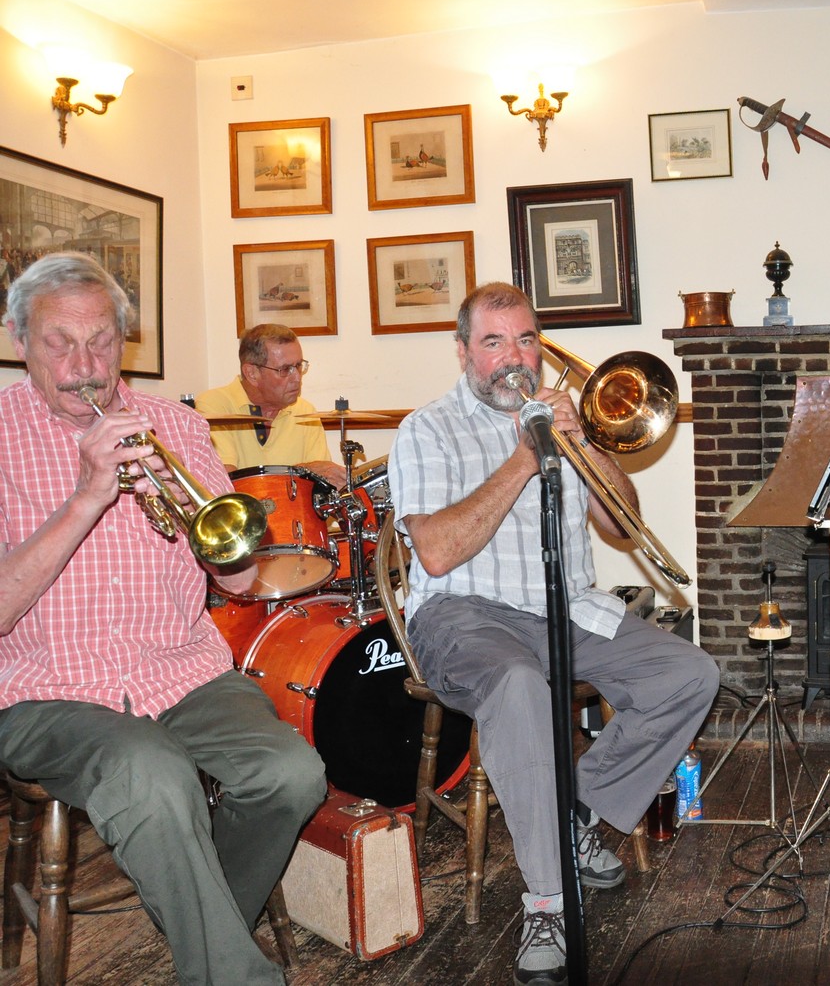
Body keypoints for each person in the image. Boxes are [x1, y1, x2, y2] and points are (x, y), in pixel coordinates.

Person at [0, 252, 327, 984]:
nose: (85, 366)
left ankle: (197, 924)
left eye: (102, 342)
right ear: (20, 341)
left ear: (124, 340)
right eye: (60, 342)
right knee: (153, 777)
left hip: (182, 672)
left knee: (291, 775)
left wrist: (213, 538)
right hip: (46, 687)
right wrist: (88, 495)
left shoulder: (176, 426)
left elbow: (235, 576)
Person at [388, 282, 718, 986]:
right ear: (463, 352)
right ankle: (546, 901)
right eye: (494, 342)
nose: (515, 357)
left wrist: (583, 444)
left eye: (527, 339)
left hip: (565, 608)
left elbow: (621, 525)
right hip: (464, 614)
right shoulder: (427, 429)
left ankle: (574, 810)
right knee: (518, 686)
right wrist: (526, 455)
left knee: (690, 674)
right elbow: (437, 553)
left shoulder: (563, 420)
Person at [196, 322, 348, 488]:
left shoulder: (305, 411)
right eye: (285, 369)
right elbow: (226, 484)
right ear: (252, 373)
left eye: (298, 366)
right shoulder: (214, 406)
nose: (297, 378)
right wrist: (303, 471)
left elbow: (320, 487)